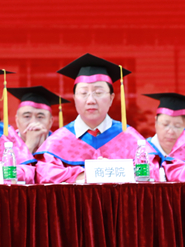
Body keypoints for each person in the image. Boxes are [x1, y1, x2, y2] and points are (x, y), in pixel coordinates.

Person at [34, 53, 158, 183]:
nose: (91, 100)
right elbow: (44, 174)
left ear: (111, 98)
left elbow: (152, 171)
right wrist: (87, 175)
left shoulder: (129, 137)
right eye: (83, 93)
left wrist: (113, 171)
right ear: (75, 98)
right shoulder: (60, 140)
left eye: (98, 93)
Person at [8, 85, 70, 155]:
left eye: (40, 117)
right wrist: (29, 146)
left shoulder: (61, 144)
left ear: (50, 122)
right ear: (17, 121)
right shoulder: (5, 142)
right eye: (27, 116)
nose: (33, 122)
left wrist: (44, 148)